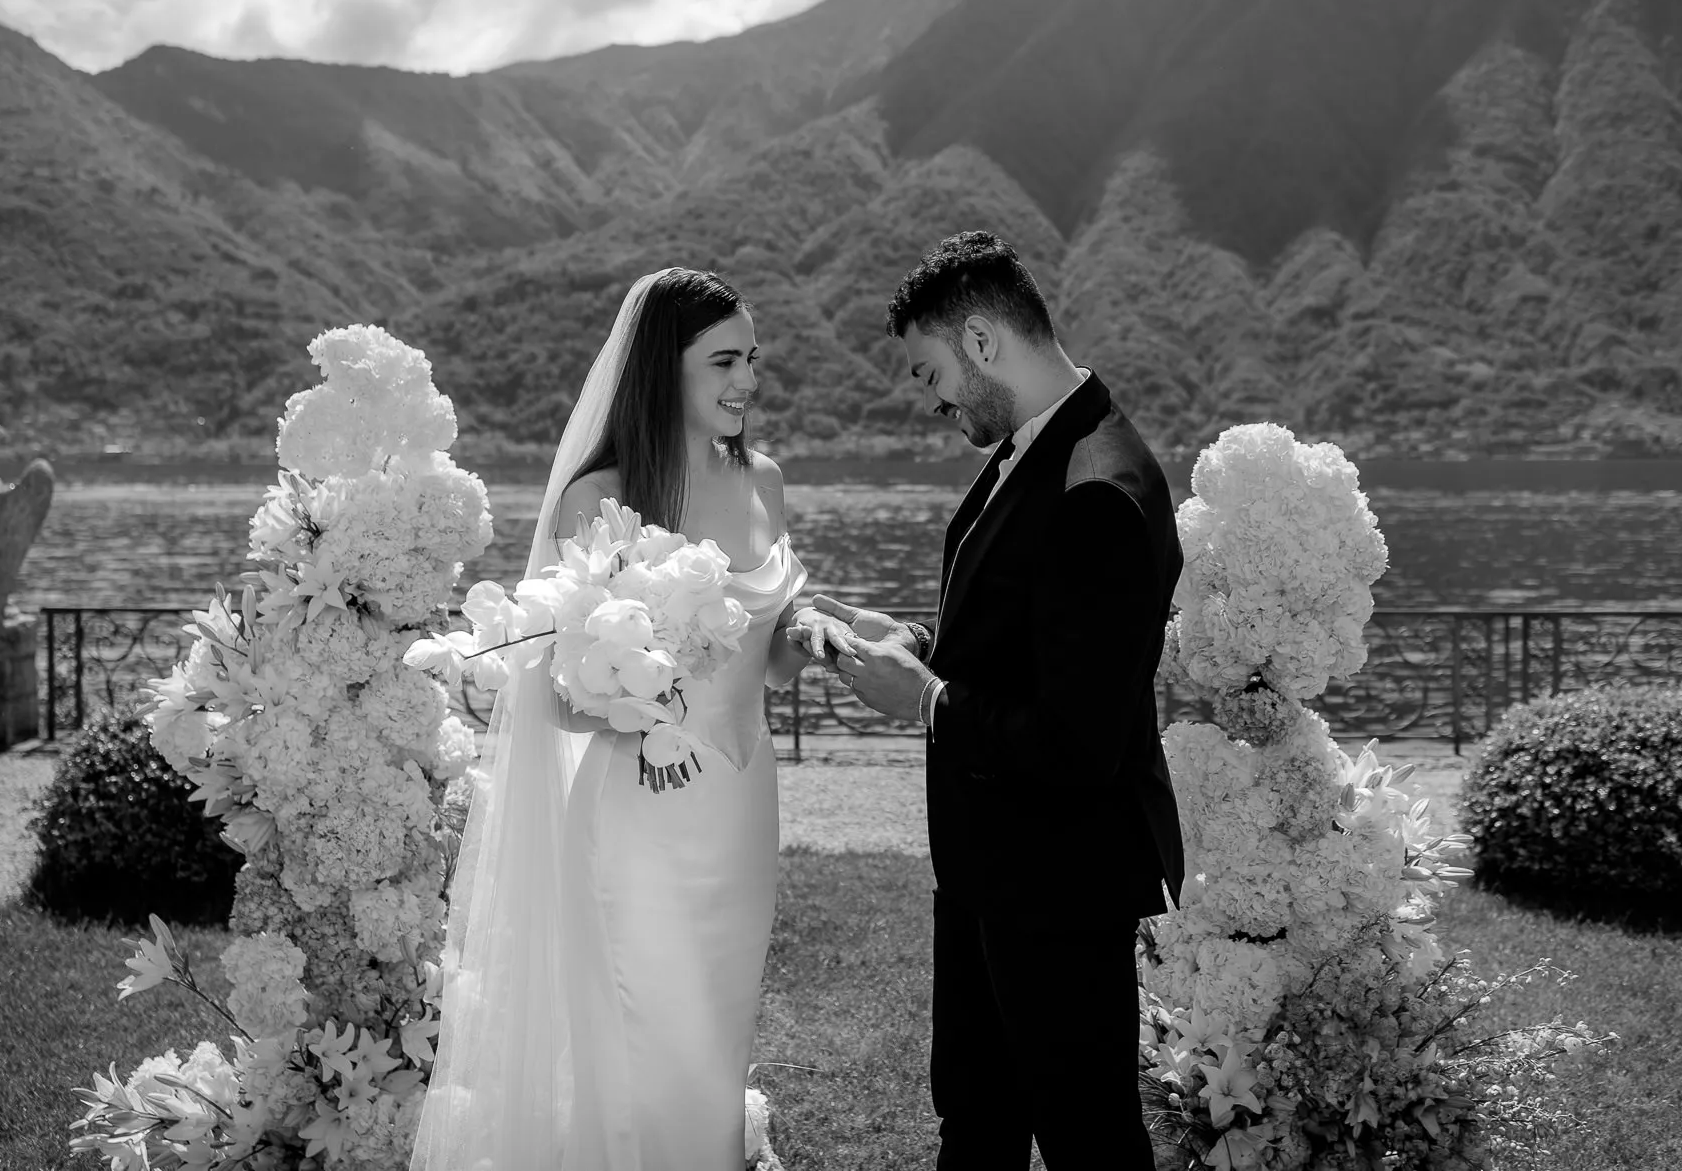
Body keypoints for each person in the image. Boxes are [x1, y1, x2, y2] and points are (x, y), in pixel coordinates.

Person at [791, 231, 1187, 1170]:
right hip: (986, 872)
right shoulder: (1032, 451)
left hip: (1060, 882)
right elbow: (1021, 645)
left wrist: (924, 699)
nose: (930, 400)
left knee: (1090, 1137)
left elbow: (1077, 742)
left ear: (979, 341)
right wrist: (914, 641)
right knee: (976, 1120)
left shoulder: (1101, 487)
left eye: (930, 372)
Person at [413, 267, 816, 1171]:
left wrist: (813, 637)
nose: (746, 379)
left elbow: (766, 662)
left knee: (719, 1025)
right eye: (723, 360)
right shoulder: (599, 497)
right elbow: (554, 695)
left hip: (743, 805)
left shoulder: (766, 482)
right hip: (639, 806)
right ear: (660, 368)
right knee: (639, 1032)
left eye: (751, 358)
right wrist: (638, 697)